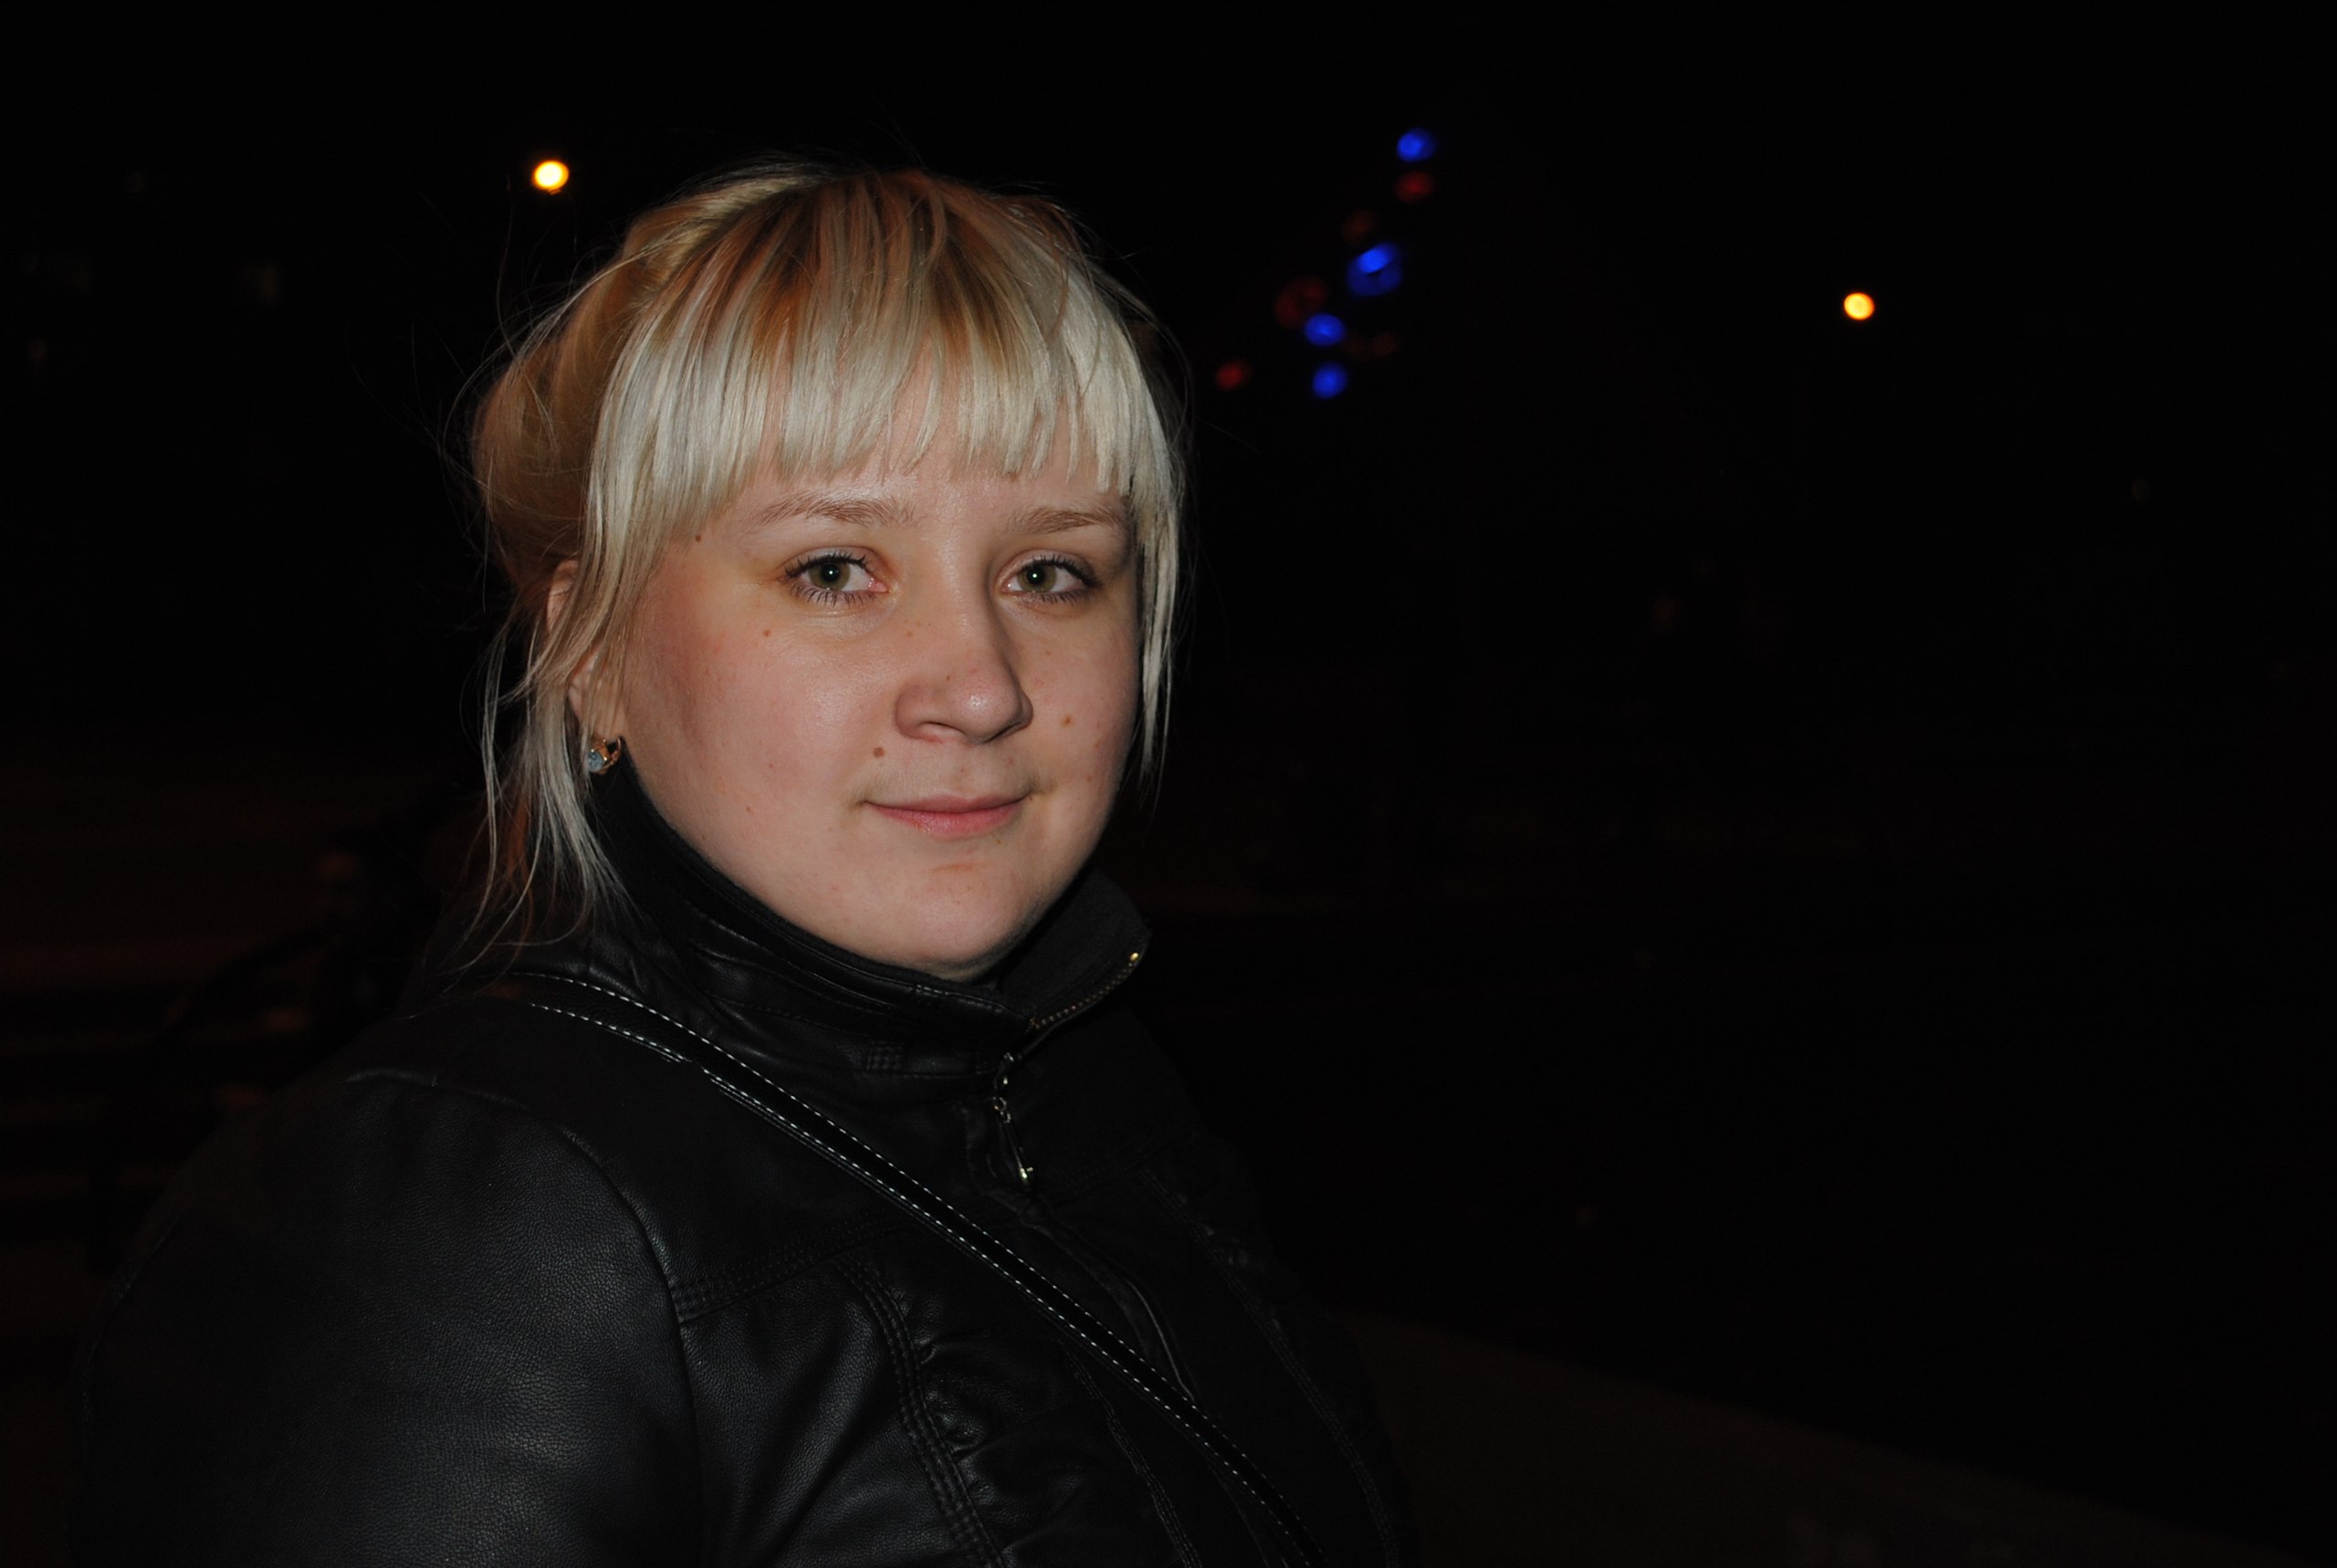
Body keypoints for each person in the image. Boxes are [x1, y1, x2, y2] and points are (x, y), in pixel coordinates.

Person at [73, 162, 1415, 1566]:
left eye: (1050, 573)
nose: (981, 687)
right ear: (590, 649)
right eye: (835, 568)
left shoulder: (1087, 1077)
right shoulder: (465, 1234)